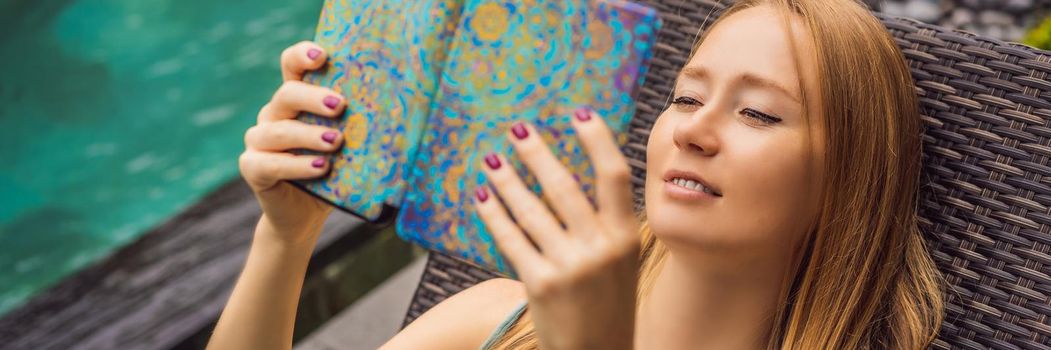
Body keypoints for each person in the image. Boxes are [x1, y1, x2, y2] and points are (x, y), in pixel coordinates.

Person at [207, 0, 946, 348]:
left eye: (757, 114)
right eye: (685, 96)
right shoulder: (495, 320)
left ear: (850, 179)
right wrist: (285, 240)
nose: (691, 126)